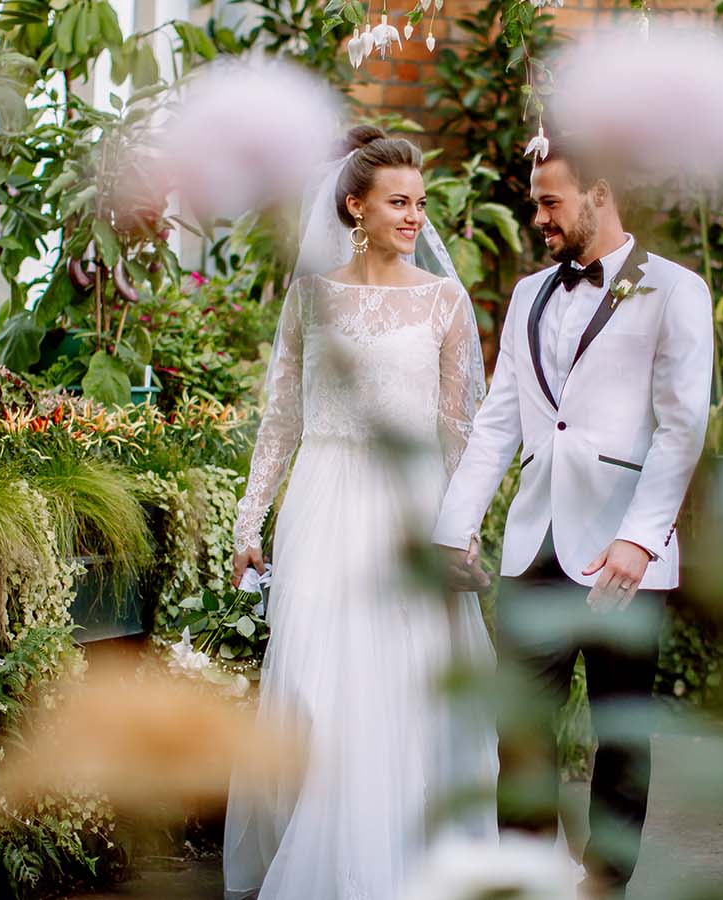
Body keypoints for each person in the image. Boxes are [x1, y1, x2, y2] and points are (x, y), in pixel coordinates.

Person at [433, 135, 714, 896]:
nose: (539, 217)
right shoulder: (528, 295)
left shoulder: (677, 291)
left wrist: (640, 538)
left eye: (551, 201)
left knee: (622, 737)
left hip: (626, 556)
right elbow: (499, 422)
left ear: (600, 193)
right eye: (535, 201)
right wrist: (453, 528)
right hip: (534, 550)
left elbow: (682, 427)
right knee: (520, 738)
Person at [224, 125, 497, 900]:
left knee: (402, 680)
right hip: (322, 502)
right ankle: (317, 850)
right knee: (315, 677)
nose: (415, 216)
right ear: (355, 207)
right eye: (398, 202)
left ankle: (400, 860)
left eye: (420, 202)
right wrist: (250, 524)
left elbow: (460, 432)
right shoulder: (309, 297)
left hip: (409, 512)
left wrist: (461, 531)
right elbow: (280, 419)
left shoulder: (445, 301)